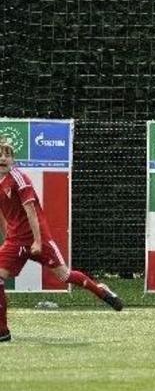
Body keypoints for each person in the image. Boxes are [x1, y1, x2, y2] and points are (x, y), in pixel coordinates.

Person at [0, 143, 123, 342]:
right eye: (0, 155)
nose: (3, 159)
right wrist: (7, 236)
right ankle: (3, 331)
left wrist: (38, 241)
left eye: (7, 155)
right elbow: (2, 213)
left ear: (13, 160)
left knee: (65, 276)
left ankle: (101, 290)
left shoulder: (19, 179)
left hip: (37, 238)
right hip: (15, 241)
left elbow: (31, 211)